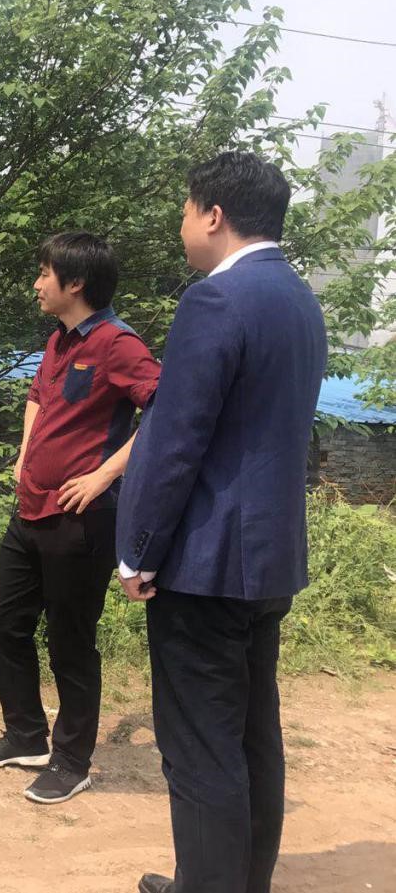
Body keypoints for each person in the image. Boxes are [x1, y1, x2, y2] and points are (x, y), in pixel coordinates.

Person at [116, 153, 327, 893]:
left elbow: (176, 441)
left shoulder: (217, 299)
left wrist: (138, 551)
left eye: (184, 211)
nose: (181, 227)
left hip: (205, 564)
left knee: (201, 747)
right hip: (267, 561)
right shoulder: (298, 298)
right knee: (251, 737)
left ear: (213, 215)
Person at [0, 232, 161, 804]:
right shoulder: (59, 340)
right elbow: (36, 398)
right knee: (2, 620)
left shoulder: (119, 345)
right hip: (31, 509)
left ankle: (72, 761)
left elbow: (167, 411)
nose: (37, 284)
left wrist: (105, 475)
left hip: (81, 519)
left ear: (75, 282)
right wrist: (26, 451)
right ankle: (26, 736)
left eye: (45, 273)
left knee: (70, 643)